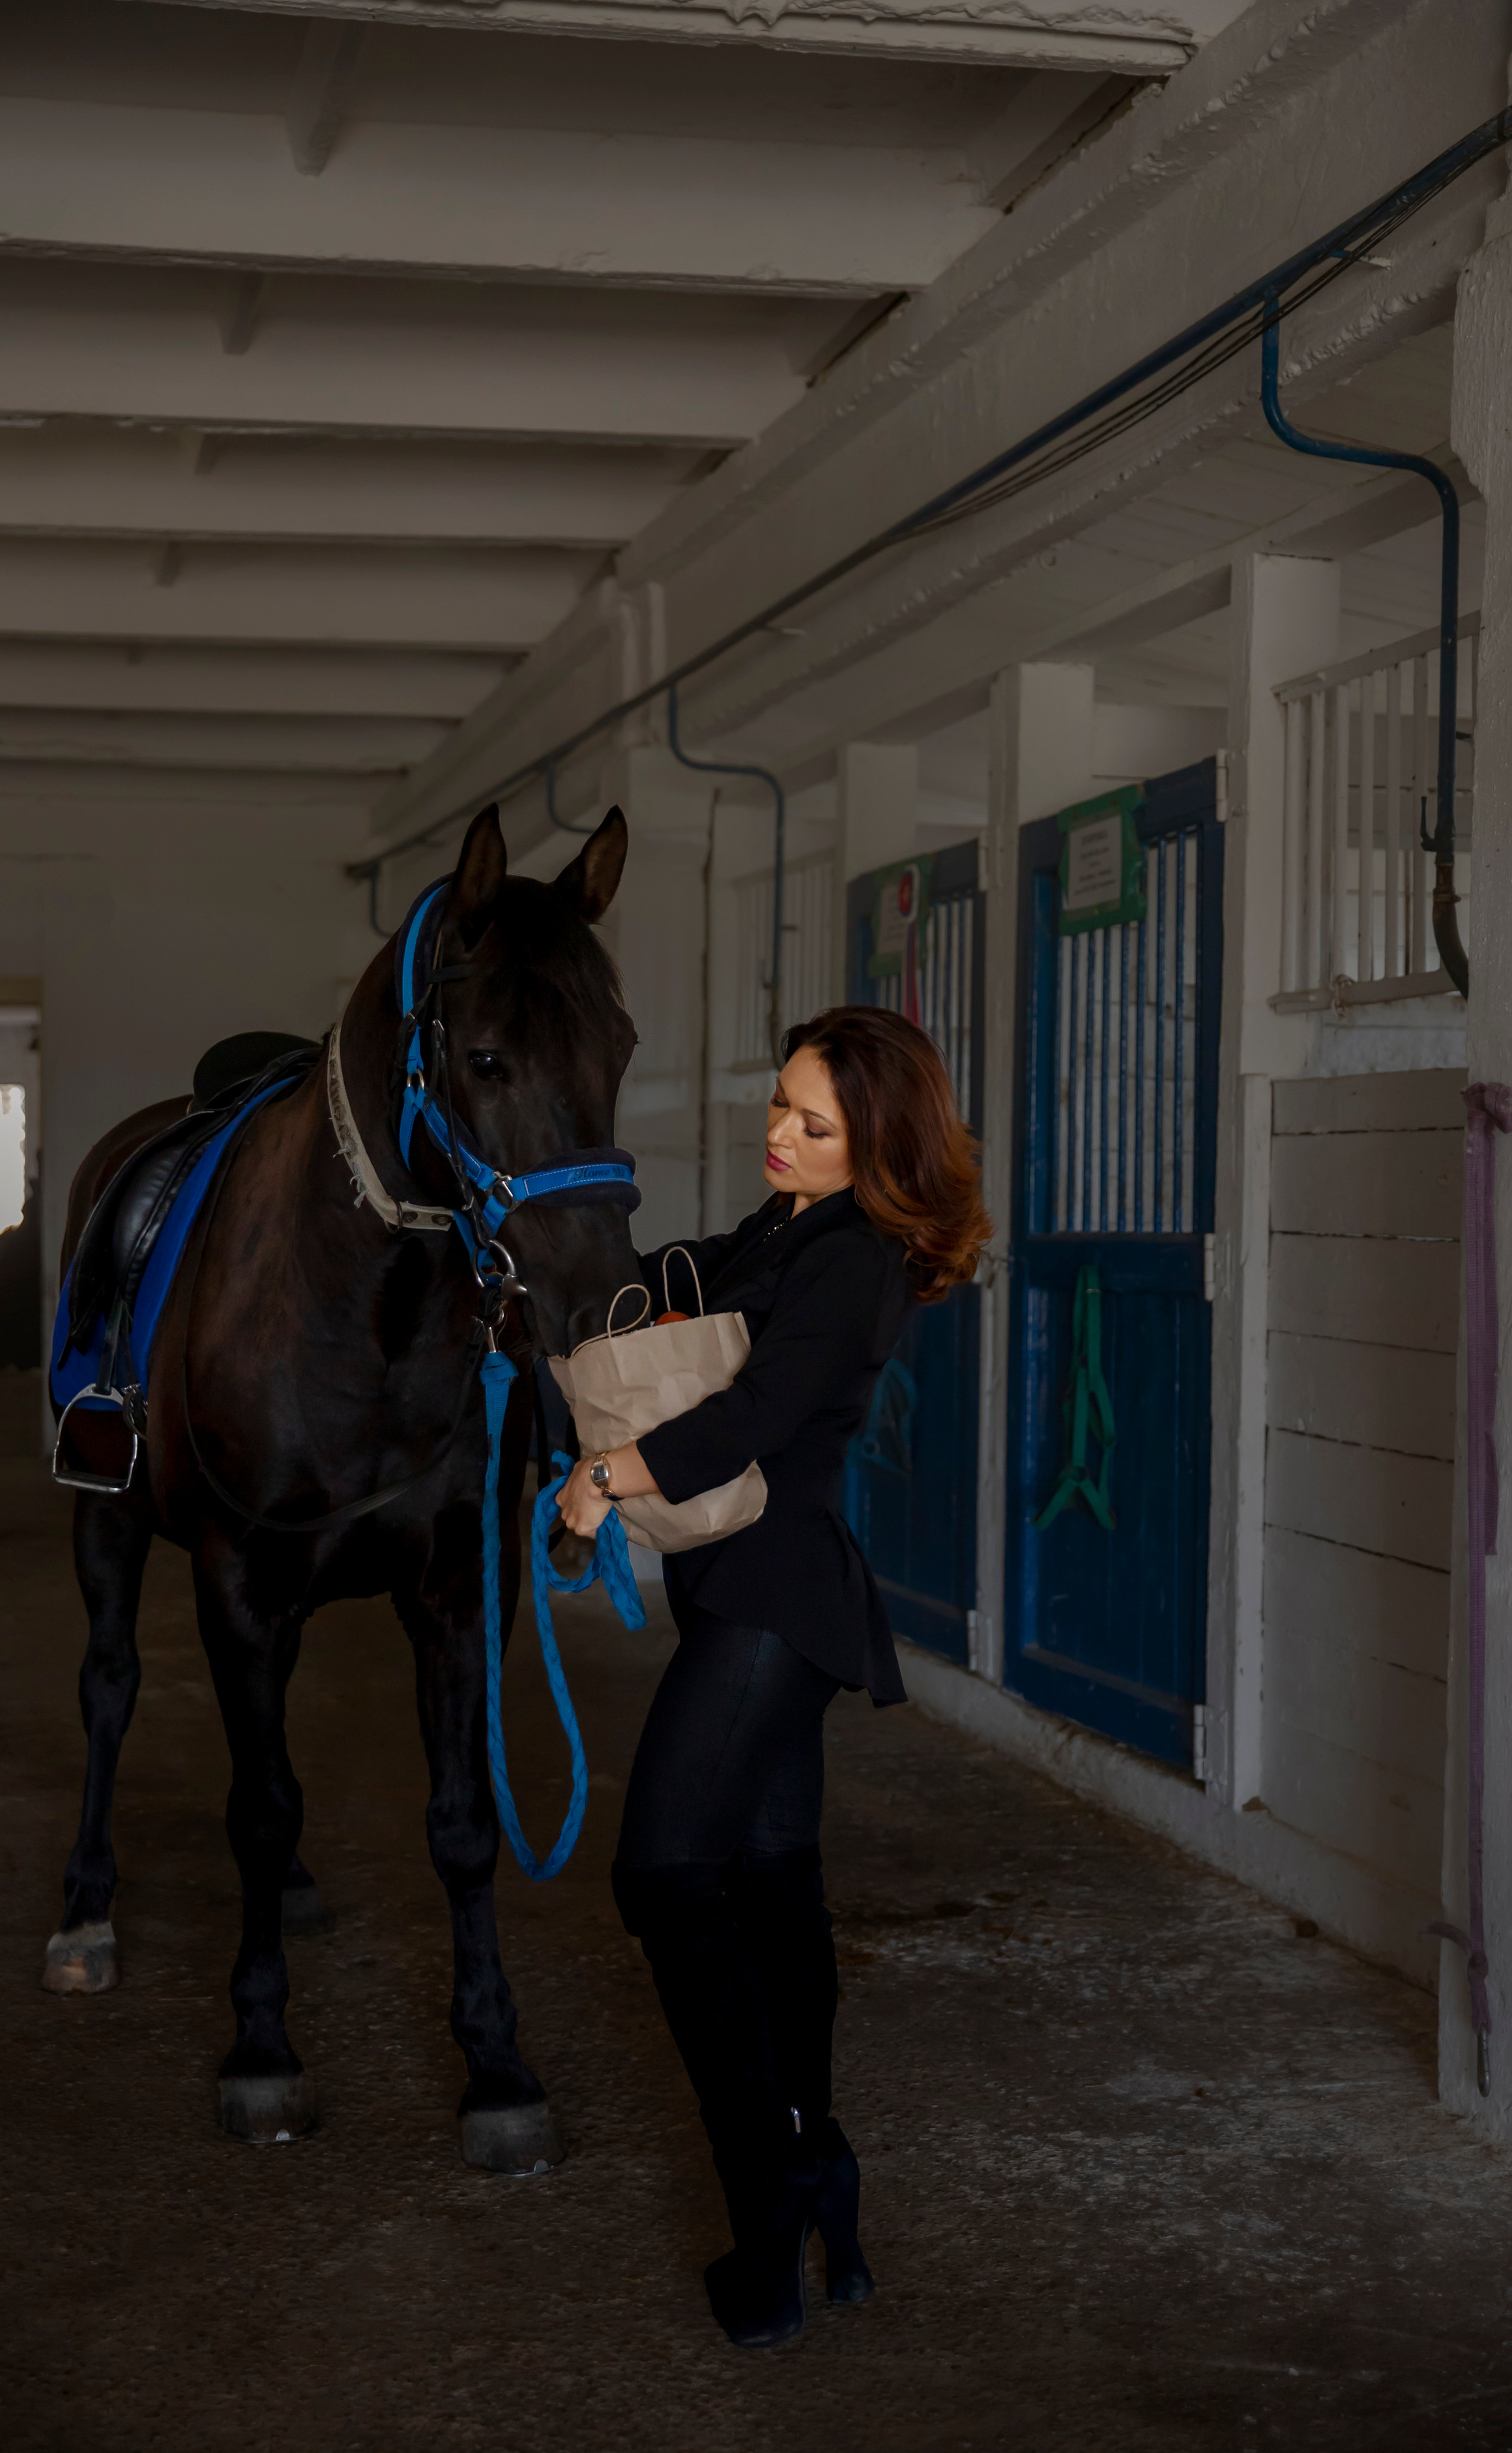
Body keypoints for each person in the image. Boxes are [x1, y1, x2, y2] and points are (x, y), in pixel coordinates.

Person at [556, 1005, 991, 2348]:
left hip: (771, 1606)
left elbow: (755, 1417)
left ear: (876, 1142)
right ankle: (818, 2168)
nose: (781, 1135)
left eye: (814, 1124)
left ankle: (763, 2207)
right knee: (766, 1889)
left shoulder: (853, 1260)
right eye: (780, 1107)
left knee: (662, 1874)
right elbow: (674, 1278)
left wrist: (603, 1482)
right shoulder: (781, 1233)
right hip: (747, 1601)